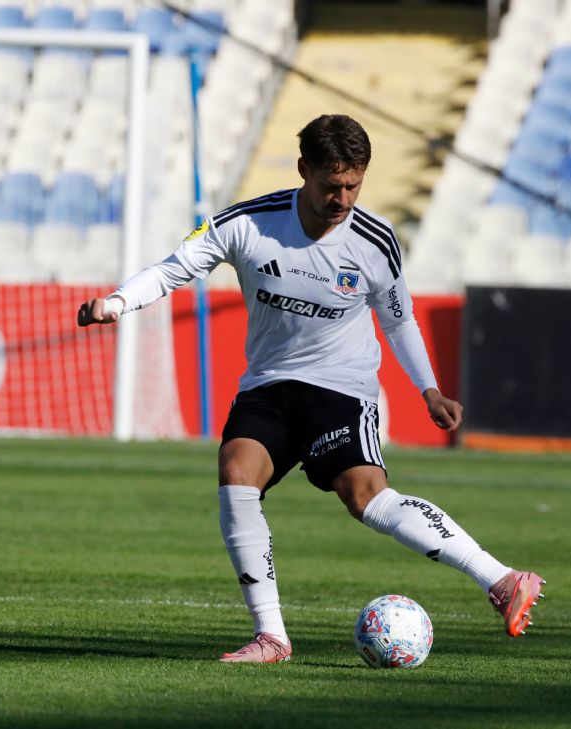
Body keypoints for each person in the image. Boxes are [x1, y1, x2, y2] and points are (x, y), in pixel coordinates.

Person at [77, 115, 544, 663]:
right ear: (304, 169)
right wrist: (117, 302)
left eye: (353, 185)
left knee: (364, 496)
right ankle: (271, 636)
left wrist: (429, 389)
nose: (342, 199)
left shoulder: (375, 241)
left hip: (340, 386)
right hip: (269, 383)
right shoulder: (247, 223)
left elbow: (398, 320)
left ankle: (501, 579)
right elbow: (174, 268)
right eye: (331, 185)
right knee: (236, 473)